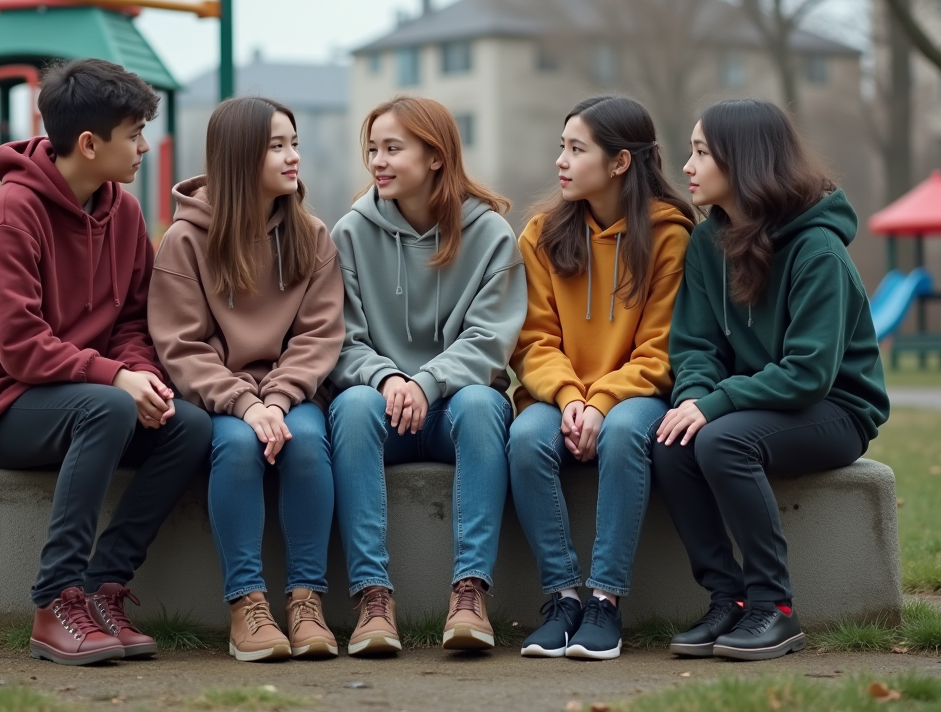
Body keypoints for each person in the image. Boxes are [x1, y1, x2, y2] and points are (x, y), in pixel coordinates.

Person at [0, 58, 212, 666]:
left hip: (89, 398)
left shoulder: (124, 213)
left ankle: (101, 589)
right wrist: (115, 377)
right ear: (89, 144)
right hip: (2, 407)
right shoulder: (10, 215)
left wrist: (138, 372)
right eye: (134, 134)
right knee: (106, 407)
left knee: (190, 425)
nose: (145, 146)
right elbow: (19, 345)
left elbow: (132, 321)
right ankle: (53, 601)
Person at [654, 99, 889, 661]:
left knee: (721, 438)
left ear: (744, 162)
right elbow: (696, 347)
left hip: (835, 408)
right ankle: (727, 600)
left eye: (702, 153)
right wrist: (691, 401)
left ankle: (776, 609)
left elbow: (809, 373)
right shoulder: (709, 244)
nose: (687, 166)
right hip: (756, 404)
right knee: (671, 440)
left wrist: (716, 406)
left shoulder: (818, 249)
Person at [328, 96, 527, 655]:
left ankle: (470, 594)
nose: (378, 162)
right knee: (351, 405)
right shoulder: (350, 233)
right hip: (381, 410)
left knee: (486, 405)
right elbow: (341, 340)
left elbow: (491, 341)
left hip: (452, 409)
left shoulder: (489, 235)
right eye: (372, 150)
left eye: (393, 148)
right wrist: (392, 380)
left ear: (436, 157)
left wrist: (427, 383)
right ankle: (372, 598)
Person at [149, 97, 345, 663]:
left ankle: (306, 599)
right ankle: (247, 605)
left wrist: (278, 401)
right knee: (236, 448)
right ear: (239, 158)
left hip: (292, 393)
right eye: (277, 147)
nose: (293, 158)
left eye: (295, 143)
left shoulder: (312, 236)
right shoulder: (184, 241)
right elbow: (180, 345)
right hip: (219, 398)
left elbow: (318, 336)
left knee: (307, 443)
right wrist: (243, 403)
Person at [508, 95, 695, 660]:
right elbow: (533, 341)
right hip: (557, 393)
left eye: (576, 149)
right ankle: (563, 596)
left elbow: (661, 349)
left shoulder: (670, 237)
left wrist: (602, 402)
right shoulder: (541, 235)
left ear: (620, 162)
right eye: (561, 147)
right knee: (524, 437)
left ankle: (605, 602)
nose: (561, 161)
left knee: (623, 434)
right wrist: (569, 396)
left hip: (637, 395)